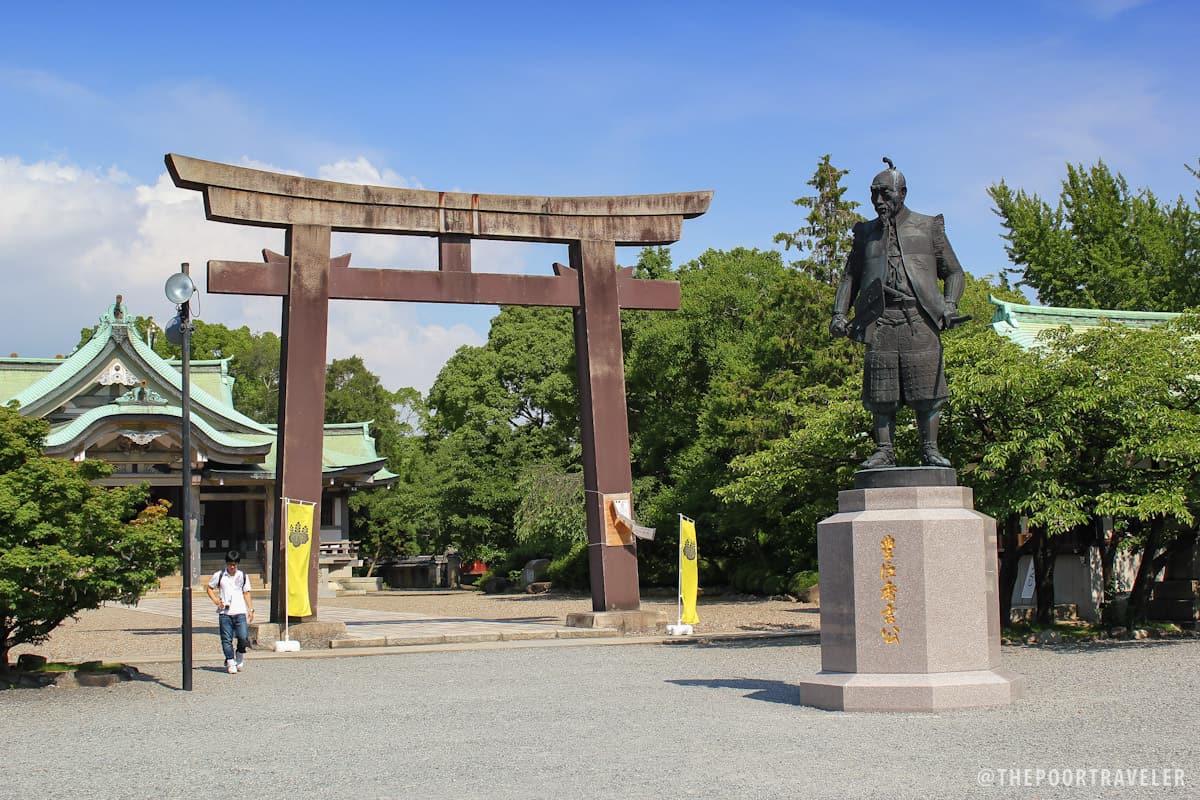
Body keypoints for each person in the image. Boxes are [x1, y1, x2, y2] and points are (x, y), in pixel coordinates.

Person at [830, 158, 966, 468]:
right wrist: (839, 313)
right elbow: (850, 277)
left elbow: (955, 273)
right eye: (873, 194)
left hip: (919, 319)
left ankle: (930, 448)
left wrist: (949, 304)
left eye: (885, 194)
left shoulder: (928, 226)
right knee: (882, 392)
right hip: (879, 319)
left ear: (901, 193)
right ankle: (884, 450)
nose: (879, 201)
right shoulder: (866, 233)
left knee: (927, 390)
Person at [205, 550, 255, 674]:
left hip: (240, 610)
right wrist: (216, 601)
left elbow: (246, 592)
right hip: (225, 612)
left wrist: (250, 609)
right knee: (226, 639)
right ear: (226, 564)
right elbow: (209, 588)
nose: (232, 567)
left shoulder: (243, 575)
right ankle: (230, 660)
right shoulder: (220, 575)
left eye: (234, 564)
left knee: (243, 637)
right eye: (230, 564)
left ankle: (239, 652)